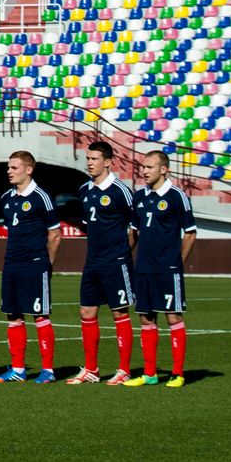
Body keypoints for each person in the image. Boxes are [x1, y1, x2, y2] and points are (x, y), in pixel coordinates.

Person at [125, 150, 197, 388]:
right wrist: (125, 255)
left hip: (167, 267)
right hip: (143, 266)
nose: (144, 171)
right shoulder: (140, 196)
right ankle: (149, 374)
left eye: (149, 167)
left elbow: (190, 233)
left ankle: (177, 374)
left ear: (164, 169)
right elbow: (133, 231)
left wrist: (178, 262)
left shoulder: (177, 196)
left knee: (173, 316)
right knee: (146, 318)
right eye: (143, 167)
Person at [69, 139, 136, 385]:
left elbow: (134, 227)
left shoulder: (121, 191)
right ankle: (92, 370)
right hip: (93, 261)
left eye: (94, 159)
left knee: (119, 312)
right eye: (88, 159)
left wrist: (121, 253)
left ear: (107, 162)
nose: (90, 163)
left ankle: (124, 369)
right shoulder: (85, 190)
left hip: (116, 261)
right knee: (86, 311)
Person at [0, 150, 60, 384]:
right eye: (9, 168)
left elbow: (54, 234)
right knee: (13, 316)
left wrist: (46, 263)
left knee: (39, 315)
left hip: (34, 263)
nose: (9, 172)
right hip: (11, 263)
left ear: (28, 169)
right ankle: (18, 370)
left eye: (14, 168)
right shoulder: (6, 198)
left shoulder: (41, 197)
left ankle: (48, 371)